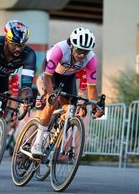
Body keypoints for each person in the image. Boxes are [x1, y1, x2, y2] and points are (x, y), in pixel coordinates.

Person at [31, 27, 104, 156]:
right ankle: (37, 142)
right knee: (52, 102)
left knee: (71, 108)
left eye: (85, 52)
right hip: (51, 74)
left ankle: (53, 137)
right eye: (79, 50)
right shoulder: (60, 49)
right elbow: (47, 77)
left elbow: (91, 87)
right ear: (72, 46)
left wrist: (95, 106)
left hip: (68, 77)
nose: (82, 55)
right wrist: (51, 94)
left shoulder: (92, 60)